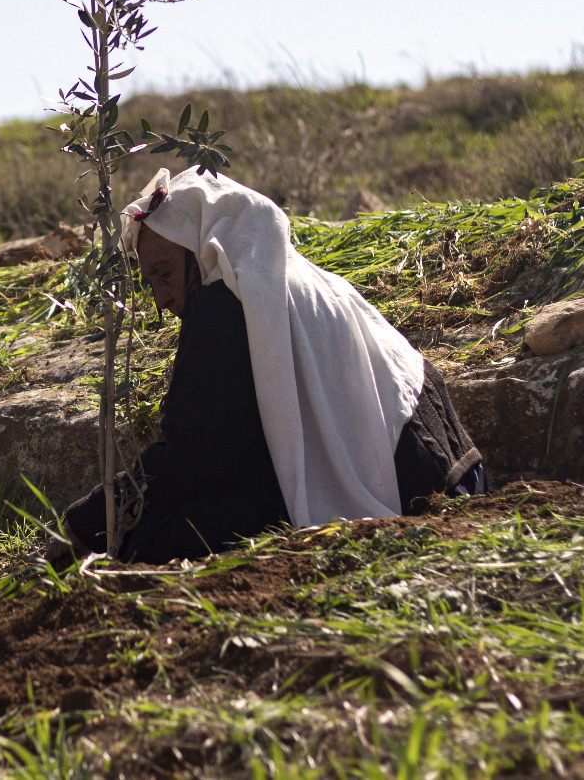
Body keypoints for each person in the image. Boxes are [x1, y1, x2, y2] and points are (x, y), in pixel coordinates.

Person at [57, 167, 484, 564]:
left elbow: (191, 459)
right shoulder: (292, 277)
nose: (162, 300)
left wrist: (91, 524)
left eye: (164, 273)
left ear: (202, 248)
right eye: (151, 283)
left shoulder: (227, 303)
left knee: (165, 534)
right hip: (460, 469)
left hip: (413, 489)